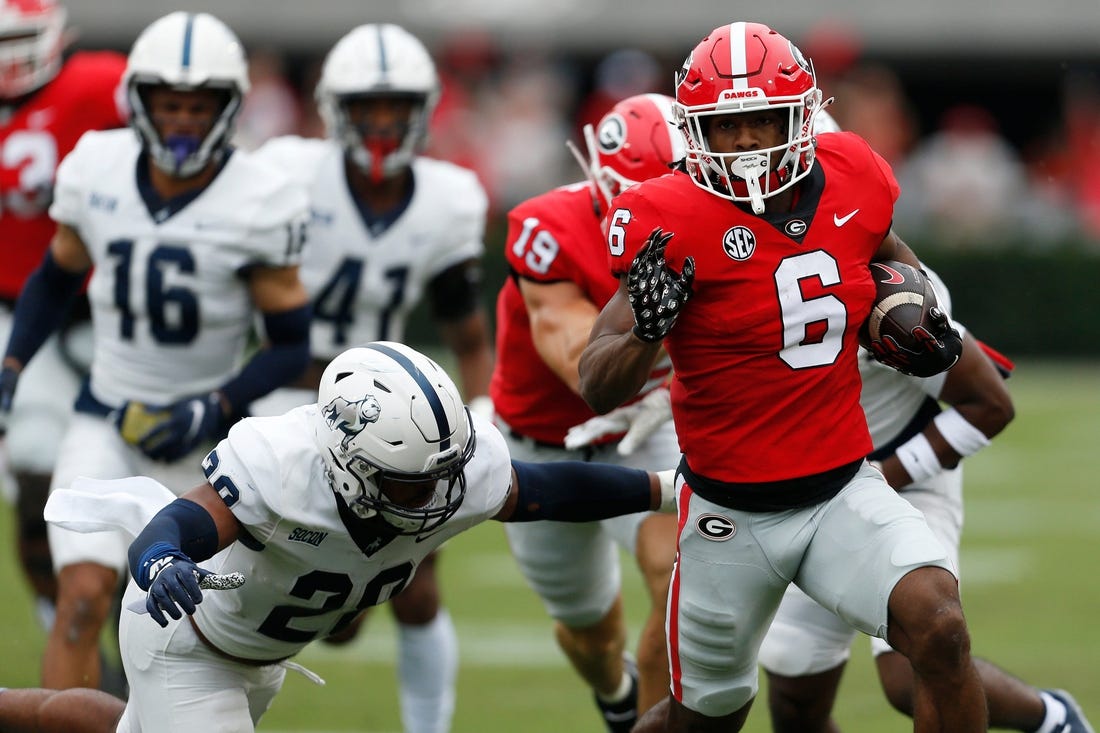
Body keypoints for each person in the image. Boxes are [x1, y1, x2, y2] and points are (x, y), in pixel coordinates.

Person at [576, 21, 984, 732]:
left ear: (799, 116)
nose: (742, 143)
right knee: (703, 718)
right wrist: (646, 329)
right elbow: (596, 381)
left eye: (759, 120)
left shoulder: (854, 171)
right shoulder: (663, 214)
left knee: (939, 625)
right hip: (727, 514)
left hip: (841, 489)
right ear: (695, 130)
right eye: (725, 125)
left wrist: (913, 316)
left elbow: (893, 262)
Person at [8, 341, 675, 733]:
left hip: (264, 647)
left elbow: (544, 491)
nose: (440, 494)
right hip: (192, 640)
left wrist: (664, 487)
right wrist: (160, 560)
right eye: (412, 482)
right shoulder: (283, 463)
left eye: (446, 473)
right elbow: (182, 519)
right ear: (348, 463)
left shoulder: (446, 469)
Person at [0, 11, 312, 690]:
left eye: (198, 107)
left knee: (187, 633)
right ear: (139, 105)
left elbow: (291, 345)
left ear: (227, 109)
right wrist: (14, 364)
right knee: (80, 598)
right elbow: (52, 281)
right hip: (103, 421)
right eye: (168, 104)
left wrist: (216, 405)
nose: (181, 122)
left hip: (204, 445)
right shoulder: (98, 169)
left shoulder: (259, 198)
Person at [249, 23, 494, 733]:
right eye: (367, 108)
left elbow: (469, 335)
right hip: (286, 394)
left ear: (422, 111)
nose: (383, 124)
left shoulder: (446, 199)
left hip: (394, 412)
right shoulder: (288, 172)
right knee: (318, 606)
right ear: (334, 109)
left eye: (396, 108)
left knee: (417, 591)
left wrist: (483, 417)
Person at [759, 275, 1095, 732]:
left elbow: (990, 404)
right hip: (812, 490)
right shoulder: (745, 274)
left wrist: (883, 475)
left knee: (913, 669)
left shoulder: (889, 292)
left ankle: (1052, 719)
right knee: (795, 694)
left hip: (903, 481)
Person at [489, 92, 683, 733]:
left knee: (680, 583)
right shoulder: (549, 230)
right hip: (544, 447)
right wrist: (654, 321)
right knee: (591, 634)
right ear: (604, 184)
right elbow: (585, 372)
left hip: (647, 430)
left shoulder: (716, 222)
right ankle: (618, 691)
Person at [0, 0, 128, 638]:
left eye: (17, 38)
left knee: (131, 479)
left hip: (105, 313)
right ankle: (67, 637)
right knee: (33, 488)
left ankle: (137, 631)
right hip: (14, 315)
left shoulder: (99, 85)